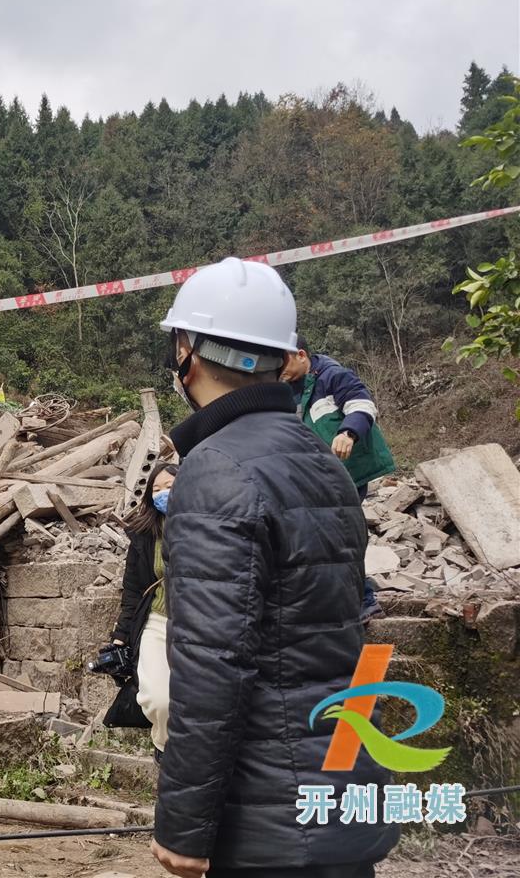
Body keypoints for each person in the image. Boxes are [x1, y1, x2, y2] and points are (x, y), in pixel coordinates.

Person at [150, 257, 396, 878]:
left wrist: (185, 826)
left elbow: (213, 663)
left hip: (269, 824)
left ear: (189, 353)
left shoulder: (217, 469)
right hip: (339, 792)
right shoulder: (317, 457)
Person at [100, 462, 178, 752]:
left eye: (169, 487)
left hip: (198, 623)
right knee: (159, 698)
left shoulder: (204, 526)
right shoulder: (145, 534)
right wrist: (121, 634)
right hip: (157, 621)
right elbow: (133, 589)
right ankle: (163, 746)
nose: (163, 494)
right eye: (156, 489)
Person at [280, 337, 396, 497]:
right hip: (317, 474)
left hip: (350, 469)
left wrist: (348, 433)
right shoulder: (286, 391)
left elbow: (362, 404)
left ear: (301, 355)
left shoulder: (334, 375)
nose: (279, 368)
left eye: (283, 361)